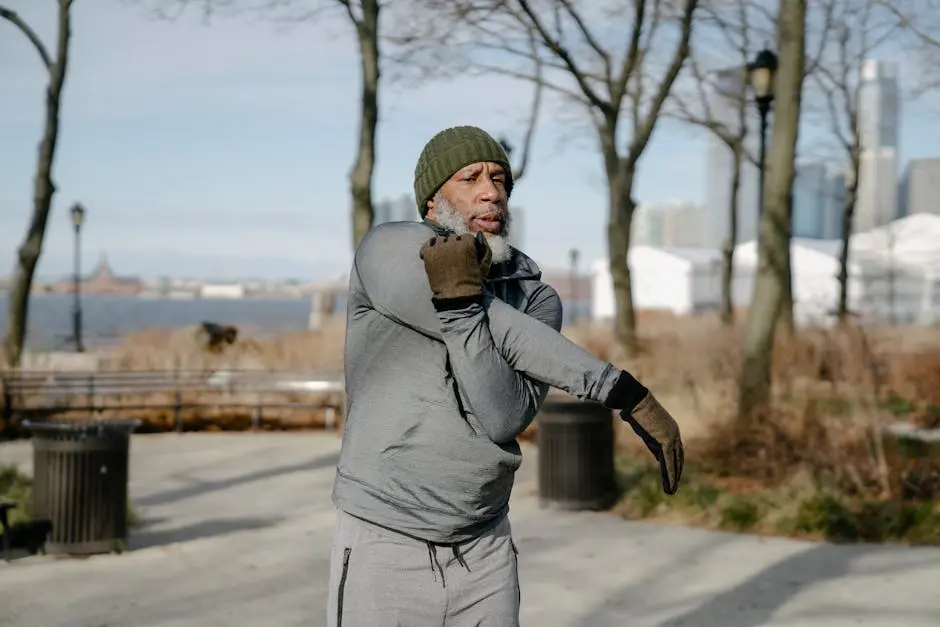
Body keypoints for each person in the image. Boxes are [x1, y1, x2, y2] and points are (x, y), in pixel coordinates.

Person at [327, 125, 684, 627]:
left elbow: (502, 416)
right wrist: (621, 391)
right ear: (432, 202)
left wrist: (462, 310)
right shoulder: (389, 251)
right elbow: (497, 325)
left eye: (499, 179)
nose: (491, 191)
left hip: (485, 551)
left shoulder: (534, 298)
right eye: (470, 177)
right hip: (385, 543)